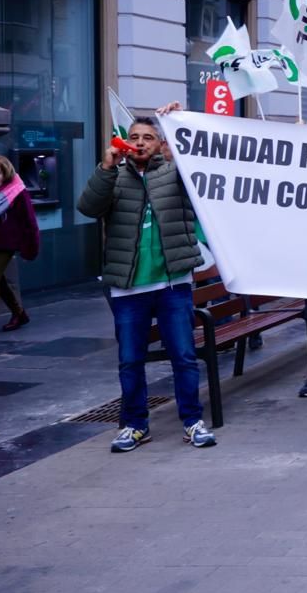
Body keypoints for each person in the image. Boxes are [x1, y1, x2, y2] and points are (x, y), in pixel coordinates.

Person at [75, 106, 216, 452]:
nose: (140, 143)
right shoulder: (113, 176)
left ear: (161, 143)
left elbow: (205, 161)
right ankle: (135, 425)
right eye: (134, 137)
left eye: (148, 137)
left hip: (172, 284)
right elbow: (88, 207)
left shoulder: (175, 173)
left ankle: (192, 421)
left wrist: (181, 121)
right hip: (128, 288)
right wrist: (107, 167)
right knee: (130, 360)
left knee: (183, 355)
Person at [0, 155, 39, 335]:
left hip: (7, 242)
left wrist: (30, 246)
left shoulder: (17, 191)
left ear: (5, 174)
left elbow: (28, 221)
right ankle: (19, 313)